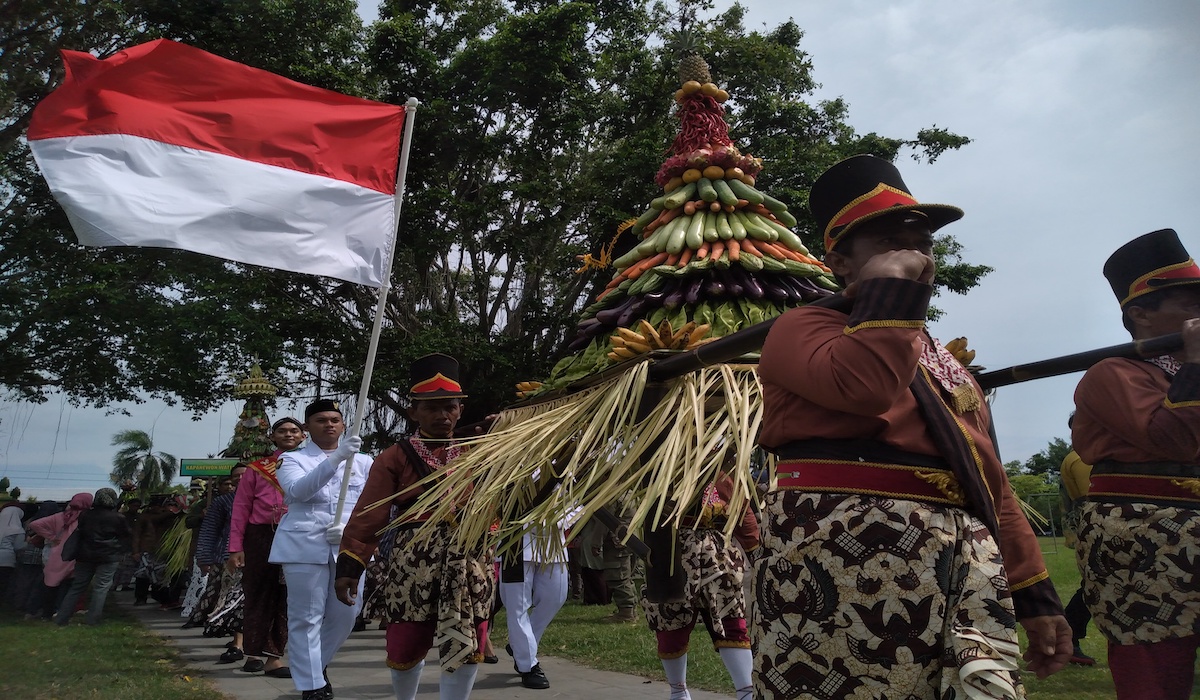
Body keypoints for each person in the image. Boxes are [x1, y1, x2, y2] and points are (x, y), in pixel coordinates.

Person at [755, 154, 1071, 699]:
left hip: (959, 559)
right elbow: (866, 387)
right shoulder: (800, 327)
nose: (913, 253)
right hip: (840, 562)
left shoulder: (935, 356)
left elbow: (987, 475)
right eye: (886, 240)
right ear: (840, 263)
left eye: (922, 240)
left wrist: (1034, 593)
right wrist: (890, 294)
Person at [1071, 228, 1200, 699]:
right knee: (1156, 668)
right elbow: (1174, 440)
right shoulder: (1112, 372)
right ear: (1141, 314)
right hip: (1144, 533)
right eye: (1190, 305)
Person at [334, 353, 493, 700]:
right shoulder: (394, 456)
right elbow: (369, 514)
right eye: (431, 408)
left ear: (460, 410)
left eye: (450, 407)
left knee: (468, 635)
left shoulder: (480, 451)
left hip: (469, 558)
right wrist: (350, 564)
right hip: (414, 561)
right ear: (413, 412)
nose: (442, 415)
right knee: (407, 637)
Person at [270, 399, 372, 700]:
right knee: (306, 616)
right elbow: (297, 491)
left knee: (347, 613)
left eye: (335, 419)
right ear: (306, 429)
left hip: (349, 546)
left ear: (343, 424)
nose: (329, 424)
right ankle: (312, 684)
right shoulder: (292, 460)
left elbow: (374, 504)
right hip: (305, 545)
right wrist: (337, 458)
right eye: (321, 420)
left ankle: (317, 663)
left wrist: (354, 528)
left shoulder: (364, 462)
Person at [642, 473, 758, 700]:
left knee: (731, 620)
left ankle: (746, 692)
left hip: (719, 556)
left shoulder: (722, 470)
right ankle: (678, 692)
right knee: (670, 622)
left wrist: (756, 550)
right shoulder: (660, 466)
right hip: (671, 554)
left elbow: (743, 511)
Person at [227, 417, 304, 677]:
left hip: (298, 534)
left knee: (287, 597)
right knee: (258, 593)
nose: (288, 434)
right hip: (261, 536)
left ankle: (274, 657)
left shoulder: (312, 464)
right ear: (272, 437)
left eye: (294, 430)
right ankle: (252, 654)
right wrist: (236, 546)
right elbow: (240, 509)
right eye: (282, 430)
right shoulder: (257, 468)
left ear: (303, 435)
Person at [500, 515, 573, 689]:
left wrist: (562, 517)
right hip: (517, 541)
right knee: (517, 606)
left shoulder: (565, 485)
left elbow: (577, 502)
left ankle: (518, 645)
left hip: (553, 540)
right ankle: (528, 665)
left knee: (556, 596)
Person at [54, 487, 131, 626]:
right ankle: (92, 621)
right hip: (109, 556)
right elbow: (126, 535)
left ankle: (62, 619)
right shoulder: (118, 518)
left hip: (84, 555)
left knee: (77, 587)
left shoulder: (85, 515)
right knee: (101, 588)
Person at [197, 464, 248, 660]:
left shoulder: (263, 500)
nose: (240, 479)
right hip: (227, 559)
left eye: (245, 475)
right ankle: (237, 643)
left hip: (260, 557)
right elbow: (209, 531)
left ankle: (244, 642)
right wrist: (204, 557)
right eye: (236, 476)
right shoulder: (223, 502)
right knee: (232, 599)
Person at [1057, 443, 1096, 666]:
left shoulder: (1072, 458)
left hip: (1087, 527)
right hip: (1100, 526)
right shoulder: (1084, 457)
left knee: (1093, 585)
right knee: (1095, 586)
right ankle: (1069, 635)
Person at [28, 492, 92, 620]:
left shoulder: (60, 516)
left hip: (56, 555)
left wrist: (52, 537)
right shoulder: (87, 517)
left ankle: (46, 614)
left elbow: (35, 524)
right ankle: (63, 611)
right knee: (70, 586)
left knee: (50, 585)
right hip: (75, 555)